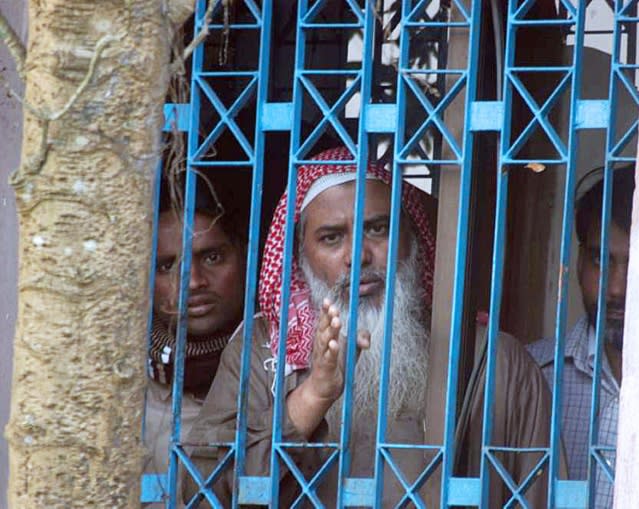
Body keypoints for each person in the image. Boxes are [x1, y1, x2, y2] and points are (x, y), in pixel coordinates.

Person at [184, 147, 555, 507]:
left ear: (412, 239)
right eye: (331, 237)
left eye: (377, 229)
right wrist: (311, 398)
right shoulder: (261, 351)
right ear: (300, 255)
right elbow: (200, 493)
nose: (358, 256)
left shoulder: (492, 359)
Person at [526, 166, 635, 508]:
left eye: (638, 261)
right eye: (601, 259)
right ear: (579, 261)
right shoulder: (533, 376)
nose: (617, 288)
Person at [143, 183, 247, 482]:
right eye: (165, 266)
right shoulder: (122, 382)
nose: (193, 282)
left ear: (244, 253)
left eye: (212, 257)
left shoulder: (278, 367)